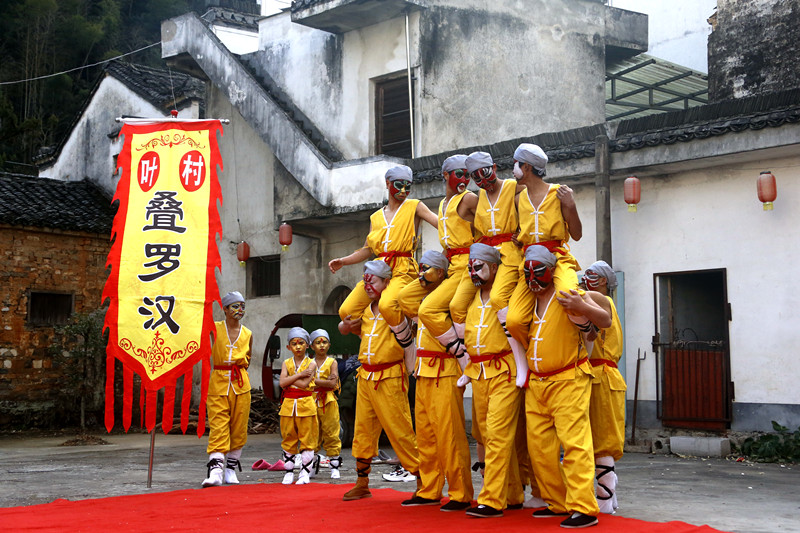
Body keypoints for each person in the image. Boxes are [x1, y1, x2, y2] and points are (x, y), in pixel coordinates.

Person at [521, 245, 612, 529]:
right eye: (528, 272)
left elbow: (605, 319)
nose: (533, 279)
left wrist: (582, 306)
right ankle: (557, 501)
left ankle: (584, 507)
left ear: (551, 271)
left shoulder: (571, 295)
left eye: (539, 271)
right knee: (540, 449)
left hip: (568, 379)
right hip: (537, 383)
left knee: (575, 446)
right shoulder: (526, 301)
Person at [329, 165, 437, 368]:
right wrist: (343, 261)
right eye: (399, 185)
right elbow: (367, 249)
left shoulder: (414, 206)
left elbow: (440, 222)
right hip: (377, 270)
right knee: (346, 312)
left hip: (403, 268)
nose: (404, 190)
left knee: (387, 304)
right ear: (388, 184)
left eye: (408, 186)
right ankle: (375, 338)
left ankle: (407, 345)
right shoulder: (375, 217)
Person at [399, 250, 474, 512]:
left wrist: (440, 275)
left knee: (449, 436)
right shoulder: (421, 300)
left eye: (427, 269)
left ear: (442, 273)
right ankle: (429, 489)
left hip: (445, 370)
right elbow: (403, 297)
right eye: (420, 269)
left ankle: (460, 493)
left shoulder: (450, 300)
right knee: (427, 437)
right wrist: (423, 279)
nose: (421, 273)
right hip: (423, 372)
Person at [340, 260, 420, 502]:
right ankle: (362, 483)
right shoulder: (365, 310)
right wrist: (344, 325)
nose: (368, 285)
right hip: (365, 376)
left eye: (373, 280)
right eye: (366, 280)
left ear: (387, 282)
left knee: (400, 430)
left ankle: (423, 482)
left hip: (390, 377)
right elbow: (344, 328)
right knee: (362, 431)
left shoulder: (395, 309)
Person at [506, 143, 583, 387]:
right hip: (528, 263)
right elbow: (522, 231)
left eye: (516, 164)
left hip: (557, 257)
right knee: (514, 321)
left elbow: (578, 234)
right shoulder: (519, 199)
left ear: (526, 167)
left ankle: (587, 343)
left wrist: (570, 206)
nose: (513, 169)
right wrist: (520, 238)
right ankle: (530, 357)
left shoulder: (560, 193)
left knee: (568, 295)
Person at [460, 243, 525, 518]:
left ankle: (492, 499)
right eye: (471, 267)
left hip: (505, 371)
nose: (474, 272)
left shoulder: (505, 296)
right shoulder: (473, 298)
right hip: (479, 374)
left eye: (479, 266)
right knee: (487, 435)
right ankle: (512, 494)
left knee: (497, 435)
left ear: (495, 267)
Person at [450, 151, 524, 381]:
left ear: (494, 166)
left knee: (499, 298)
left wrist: (522, 231)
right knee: (456, 305)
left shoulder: (513, 187)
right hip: (482, 254)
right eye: (476, 177)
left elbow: (537, 199)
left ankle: (521, 360)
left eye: (486, 173)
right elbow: (463, 217)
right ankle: (468, 362)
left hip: (510, 253)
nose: (483, 181)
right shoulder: (478, 197)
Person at [401, 155, 477, 367]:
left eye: (467, 175)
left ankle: (460, 353)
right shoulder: (443, 203)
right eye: (459, 174)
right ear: (446, 175)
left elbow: (490, 223)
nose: (465, 179)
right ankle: (442, 333)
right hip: (448, 265)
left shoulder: (469, 199)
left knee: (427, 310)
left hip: (465, 266)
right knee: (406, 297)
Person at [582, 261, 626, 514]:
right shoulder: (603, 303)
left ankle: (605, 494)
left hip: (603, 375)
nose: (585, 279)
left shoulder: (600, 299)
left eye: (591, 275)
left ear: (603, 281)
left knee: (602, 437)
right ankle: (605, 491)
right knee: (594, 436)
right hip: (599, 374)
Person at [203, 291, 253, 488]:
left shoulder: (248, 333)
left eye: (242, 306)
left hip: (240, 383)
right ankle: (216, 470)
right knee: (218, 424)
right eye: (235, 306)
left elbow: (249, 359)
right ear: (224, 309)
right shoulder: (213, 328)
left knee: (239, 425)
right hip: (218, 381)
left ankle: (231, 469)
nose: (239, 310)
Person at [278, 327, 318, 485]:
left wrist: (290, 378)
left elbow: (304, 385)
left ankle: (305, 472)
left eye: (301, 343)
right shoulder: (286, 363)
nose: (298, 346)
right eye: (294, 343)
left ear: (307, 345)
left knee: (307, 439)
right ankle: (288, 472)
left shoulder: (312, 364)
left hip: (306, 405)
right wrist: (300, 374)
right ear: (288, 347)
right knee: (289, 437)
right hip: (288, 406)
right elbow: (282, 383)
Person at [309, 328, 343, 480]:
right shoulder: (308, 363)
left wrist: (313, 381)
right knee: (312, 433)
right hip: (310, 400)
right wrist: (324, 382)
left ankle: (334, 466)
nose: (321, 345)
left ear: (329, 345)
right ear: (311, 346)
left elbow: (333, 384)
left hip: (328, 400)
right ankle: (309, 464)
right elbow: (305, 382)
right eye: (318, 342)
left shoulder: (332, 362)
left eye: (324, 342)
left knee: (331, 432)